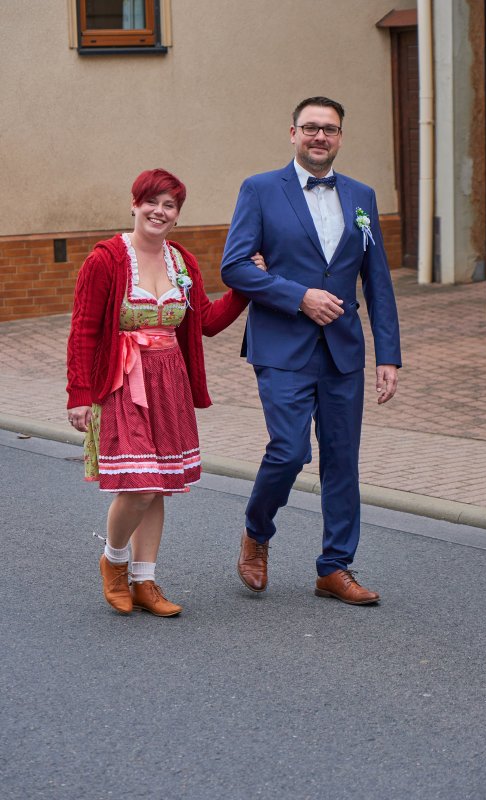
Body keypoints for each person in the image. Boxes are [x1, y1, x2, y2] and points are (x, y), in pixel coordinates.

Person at [221, 97, 401, 605]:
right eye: (311, 128)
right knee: (290, 449)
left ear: (340, 137)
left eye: (330, 129)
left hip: (343, 351)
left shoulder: (362, 196)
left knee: (342, 459)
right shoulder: (260, 189)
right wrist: (299, 296)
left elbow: (378, 282)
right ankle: (257, 531)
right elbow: (235, 266)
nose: (320, 136)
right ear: (293, 133)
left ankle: (335, 568)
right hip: (282, 345)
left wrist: (388, 355)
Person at [67, 168, 264, 617]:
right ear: (134, 205)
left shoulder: (182, 262)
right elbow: (84, 330)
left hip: (168, 382)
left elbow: (206, 321)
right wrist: (78, 394)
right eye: (151, 202)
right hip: (122, 380)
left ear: (177, 215)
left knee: (157, 487)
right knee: (139, 486)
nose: (159, 211)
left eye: (169, 205)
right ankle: (114, 562)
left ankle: (145, 580)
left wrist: (245, 287)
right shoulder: (106, 259)